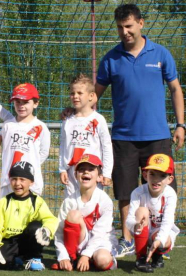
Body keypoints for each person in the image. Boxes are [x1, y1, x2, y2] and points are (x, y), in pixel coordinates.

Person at [95, 4, 184, 257]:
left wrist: (180, 125)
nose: (125, 32)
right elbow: (95, 95)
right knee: (125, 191)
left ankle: (162, 236)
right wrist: (76, 112)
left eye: (129, 26)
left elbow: (176, 89)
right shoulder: (110, 58)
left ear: (141, 24)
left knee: (164, 190)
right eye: (120, 27)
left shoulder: (161, 54)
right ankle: (127, 239)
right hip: (123, 138)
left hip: (158, 137)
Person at [0, 161, 58, 271]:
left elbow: (50, 219)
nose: (17, 183)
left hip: (28, 240)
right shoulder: (4, 202)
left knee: (36, 227)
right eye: (14, 179)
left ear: (31, 182)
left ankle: (35, 258)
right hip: (10, 242)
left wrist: (47, 230)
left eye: (22, 179)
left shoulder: (37, 202)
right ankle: (17, 260)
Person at [53, 154, 117, 272]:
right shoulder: (69, 201)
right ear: (76, 175)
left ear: (99, 177)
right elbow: (59, 233)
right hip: (80, 242)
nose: (85, 172)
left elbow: (100, 233)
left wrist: (86, 255)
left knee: (102, 260)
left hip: (101, 240)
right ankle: (72, 258)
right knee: (73, 215)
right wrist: (63, 256)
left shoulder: (105, 200)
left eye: (91, 169)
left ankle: (92, 259)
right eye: (81, 169)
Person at [0, 83, 50, 198]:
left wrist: (30, 166)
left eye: (26, 102)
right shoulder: (8, 125)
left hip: (30, 182)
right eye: (18, 102)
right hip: (9, 180)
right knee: (7, 213)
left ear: (36, 103)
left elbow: (44, 152)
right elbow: (1, 137)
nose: (21, 106)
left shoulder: (40, 127)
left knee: (29, 214)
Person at [59, 74, 113, 198]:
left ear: (91, 96)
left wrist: (107, 173)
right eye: (72, 93)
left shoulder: (98, 119)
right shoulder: (67, 120)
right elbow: (63, 146)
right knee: (72, 205)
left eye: (79, 93)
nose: (75, 96)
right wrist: (62, 169)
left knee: (92, 204)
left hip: (92, 172)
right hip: (72, 172)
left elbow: (107, 147)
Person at [126, 153, 179, 273]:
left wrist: (159, 239)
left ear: (170, 179)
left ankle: (157, 255)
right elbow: (128, 220)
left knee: (163, 241)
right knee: (142, 211)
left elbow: (168, 221)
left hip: (158, 232)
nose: (156, 179)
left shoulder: (170, 194)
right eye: (152, 174)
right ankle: (141, 258)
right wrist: (137, 224)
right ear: (145, 175)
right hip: (142, 231)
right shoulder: (137, 193)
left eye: (162, 175)